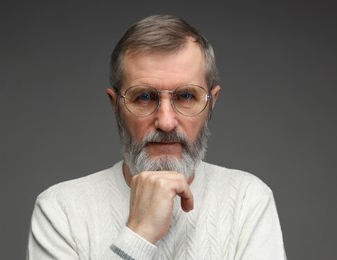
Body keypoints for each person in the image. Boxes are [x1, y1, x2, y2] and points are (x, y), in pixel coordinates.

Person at [27, 14, 286, 259]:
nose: (165, 122)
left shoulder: (247, 199)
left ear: (211, 103)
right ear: (115, 105)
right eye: (144, 97)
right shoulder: (59, 210)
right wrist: (139, 233)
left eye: (185, 96)